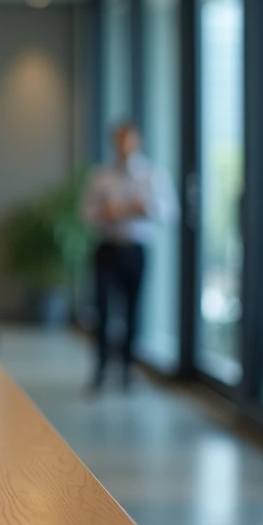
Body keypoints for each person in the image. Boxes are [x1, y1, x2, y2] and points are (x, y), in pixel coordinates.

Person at [81, 121, 178, 391]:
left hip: (136, 249)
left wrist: (144, 208)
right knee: (102, 309)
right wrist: (104, 213)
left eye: (128, 140)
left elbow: (169, 212)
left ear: (137, 142)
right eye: (118, 140)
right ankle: (100, 368)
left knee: (134, 310)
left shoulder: (152, 174)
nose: (123, 146)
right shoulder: (101, 175)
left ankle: (127, 368)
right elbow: (86, 213)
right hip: (107, 248)